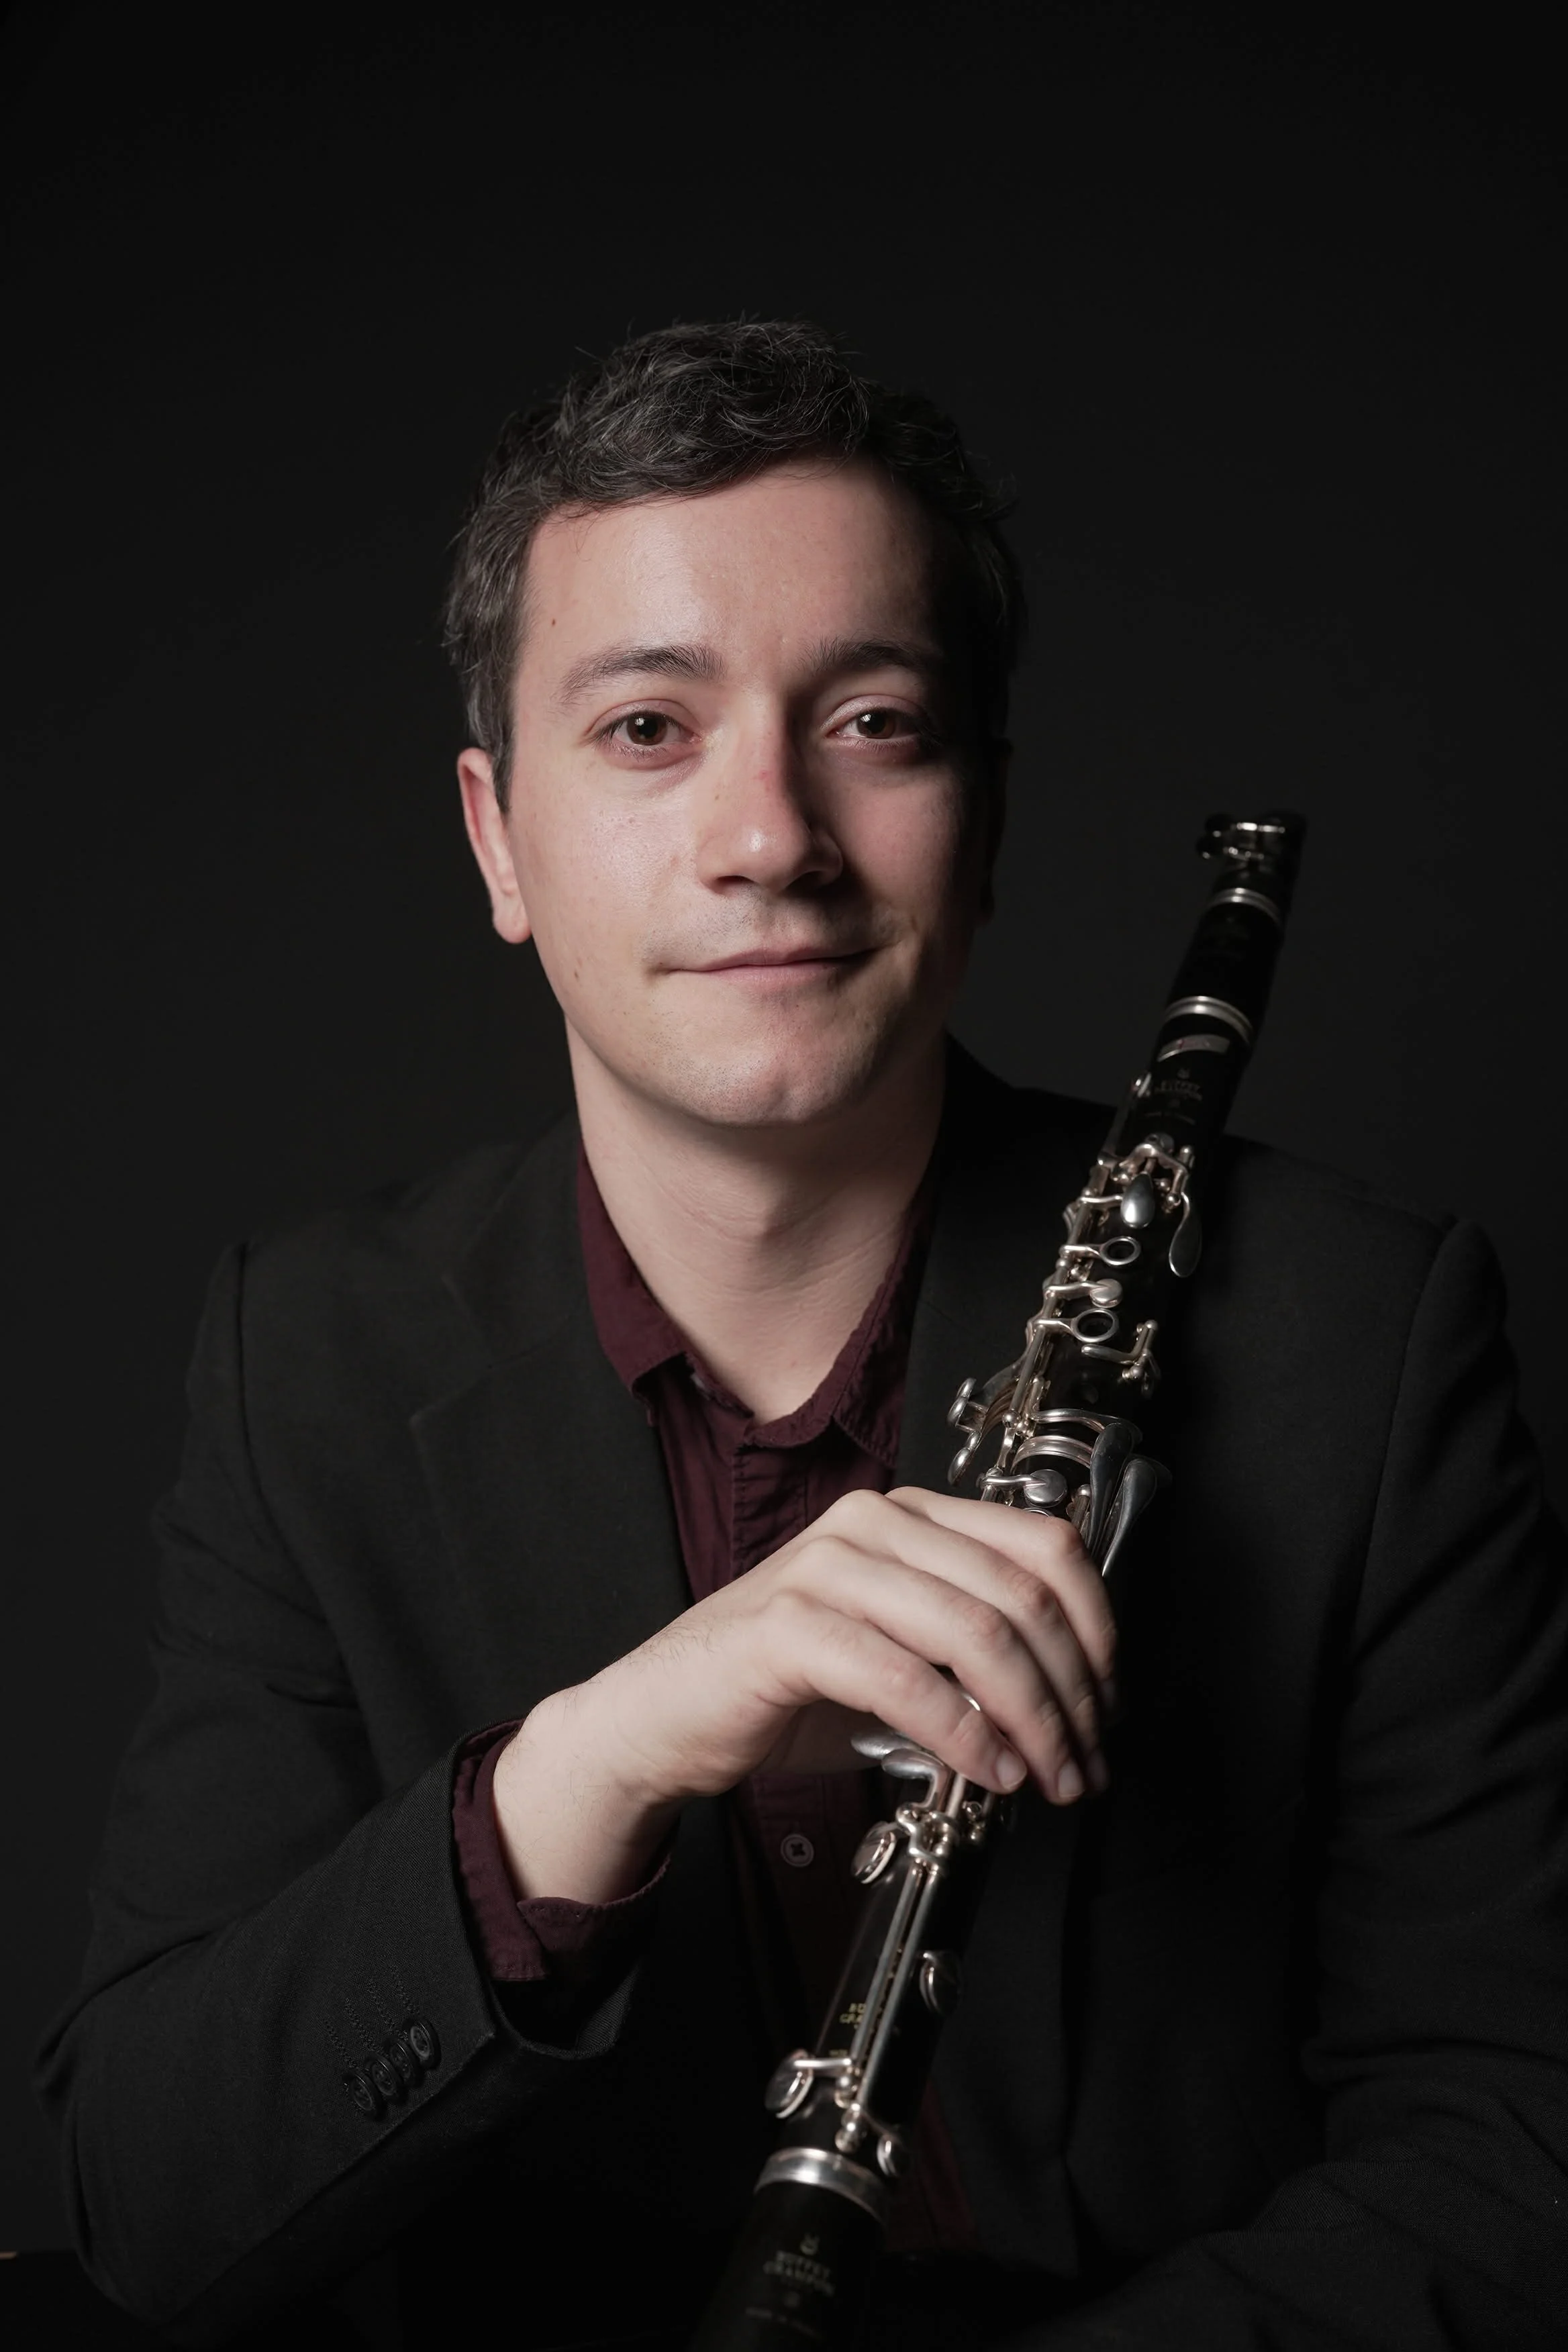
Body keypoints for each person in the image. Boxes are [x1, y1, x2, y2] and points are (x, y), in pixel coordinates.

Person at [38, 320, 1568, 2352]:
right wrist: (594, 1764)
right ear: (499, 840)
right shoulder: (305, 1353)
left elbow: (1514, 2156)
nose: (770, 836)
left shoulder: (1355, 1343)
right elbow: (144, 2206)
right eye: (651, 730)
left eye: (872, 721)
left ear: (988, 818)